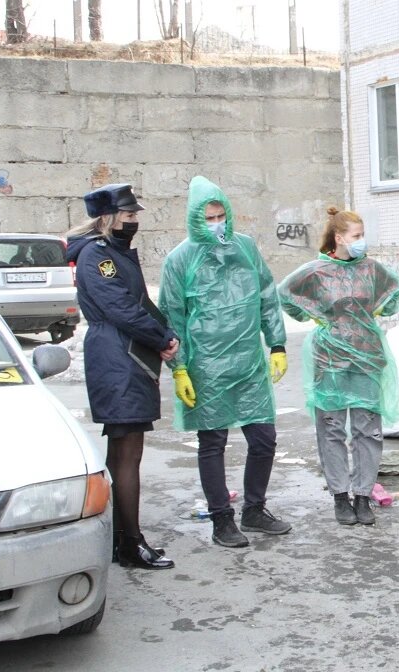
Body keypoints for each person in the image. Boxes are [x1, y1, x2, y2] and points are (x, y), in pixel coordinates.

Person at [159, 176, 292, 549]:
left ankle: (255, 509)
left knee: (264, 439)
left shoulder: (245, 248)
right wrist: (179, 367)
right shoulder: (180, 259)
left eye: (221, 216)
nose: (217, 224)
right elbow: (172, 316)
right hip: (207, 366)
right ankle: (222, 519)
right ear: (194, 219)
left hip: (248, 362)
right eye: (209, 218)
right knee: (213, 442)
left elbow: (267, 295)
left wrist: (277, 344)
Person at [67, 183, 178, 570]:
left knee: (124, 452)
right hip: (118, 356)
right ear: (108, 218)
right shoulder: (98, 256)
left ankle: (122, 539)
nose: (134, 222)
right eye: (129, 215)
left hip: (125, 354)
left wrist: (164, 335)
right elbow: (122, 309)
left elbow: (139, 302)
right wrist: (162, 338)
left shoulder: (111, 252)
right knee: (127, 453)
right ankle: (131, 543)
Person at [278, 207, 399, 526]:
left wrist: (377, 310)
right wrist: (312, 315)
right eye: (356, 236)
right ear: (339, 238)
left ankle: (363, 495)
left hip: (366, 356)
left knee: (368, 429)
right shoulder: (317, 271)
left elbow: (396, 288)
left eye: (363, 235)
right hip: (330, 359)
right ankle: (340, 496)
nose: (362, 241)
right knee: (332, 429)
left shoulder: (371, 269)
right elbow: (286, 293)